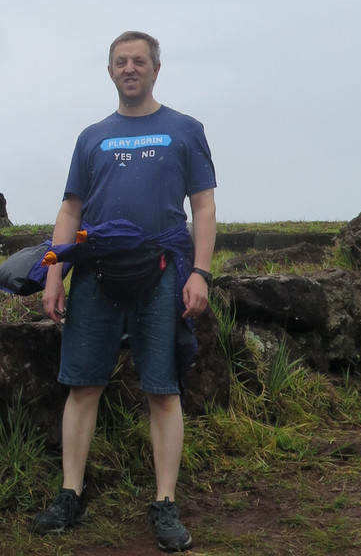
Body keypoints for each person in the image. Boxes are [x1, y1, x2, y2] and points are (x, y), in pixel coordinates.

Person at [31, 31, 217, 553]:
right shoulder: (92, 137)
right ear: (110, 71)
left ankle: (164, 502)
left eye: (139, 61)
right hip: (97, 273)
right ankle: (70, 494)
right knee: (83, 385)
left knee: (162, 388)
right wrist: (53, 273)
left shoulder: (184, 130)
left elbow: (202, 207)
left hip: (162, 271)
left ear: (156, 68)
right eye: (120, 62)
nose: (129, 68)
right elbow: (70, 210)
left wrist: (199, 272)